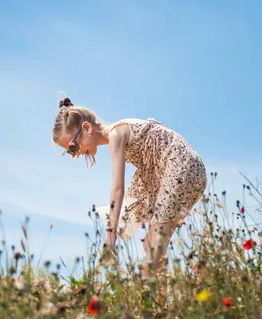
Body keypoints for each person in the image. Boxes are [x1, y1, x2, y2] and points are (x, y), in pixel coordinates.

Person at [52, 96, 207, 275]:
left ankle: (151, 296)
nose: (76, 154)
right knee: (151, 244)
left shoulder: (115, 134)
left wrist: (110, 239)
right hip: (174, 169)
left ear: (87, 128)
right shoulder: (117, 134)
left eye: (73, 146)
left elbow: (118, 189)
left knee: (154, 250)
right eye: (71, 152)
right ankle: (171, 292)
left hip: (180, 166)